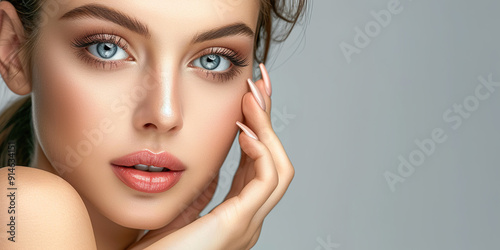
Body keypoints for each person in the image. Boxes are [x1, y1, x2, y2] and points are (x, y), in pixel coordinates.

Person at [0, 0, 306, 249]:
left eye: (213, 60)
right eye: (107, 48)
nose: (165, 114)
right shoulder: (23, 205)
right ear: (13, 50)